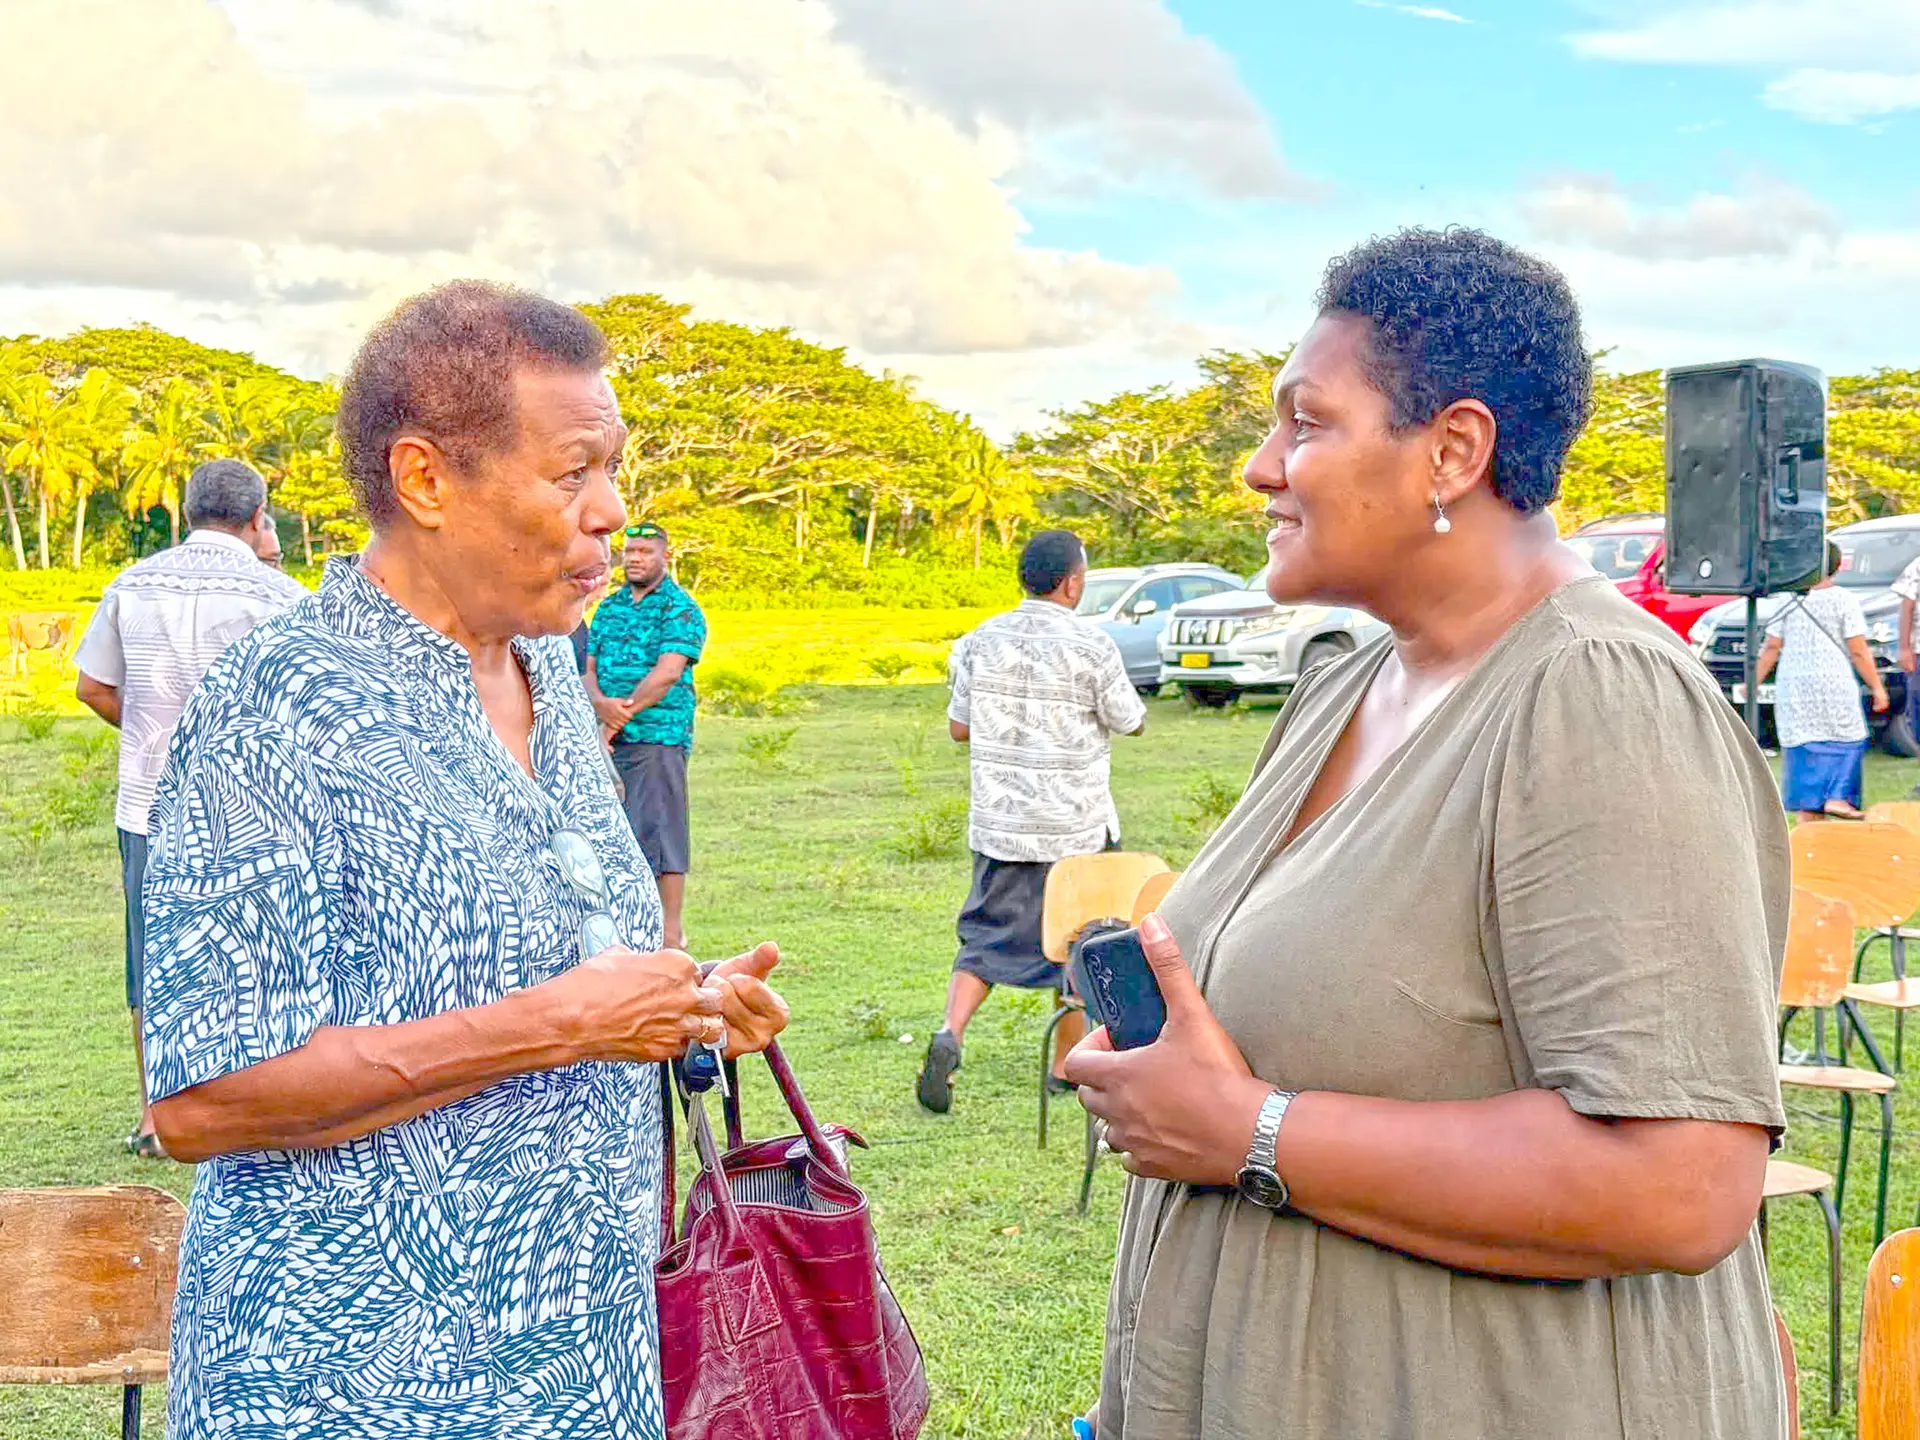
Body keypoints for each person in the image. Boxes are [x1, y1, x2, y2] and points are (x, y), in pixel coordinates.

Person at [1065, 229, 1789, 1439]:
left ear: (1453, 450)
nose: (1260, 467)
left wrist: (1250, 1132)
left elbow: (1681, 1185)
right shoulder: (1346, 689)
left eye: (1306, 422)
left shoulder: (1598, 701)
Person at [139, 281, 789, 1439]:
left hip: (581, 1357)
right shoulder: (278, 705)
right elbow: (199, 1101)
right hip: (351, 1381)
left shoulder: (545, 672)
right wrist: (566, 1023)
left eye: (614, 471)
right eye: (573, 472)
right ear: (428, 480)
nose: (611, 512)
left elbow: (561, 965)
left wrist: (675, 1002)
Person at [72, 459, 306, 1160]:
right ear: (257, 516)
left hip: (149, 804)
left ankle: (156, 1115)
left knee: (151, 955)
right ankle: (254, 1102)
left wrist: (155, 735)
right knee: (259, 949)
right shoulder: (281, 597)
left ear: (186, 510)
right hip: (253, 809)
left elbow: (93, 687)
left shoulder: (131, 585)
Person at [918, 529, 1146, 1114]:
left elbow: (959, 728)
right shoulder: (1092, 645)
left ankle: (950, 1033)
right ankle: (1065, 1068)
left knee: (983, 936)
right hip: (1076, 829)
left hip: (1000, 825)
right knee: (1081, 939)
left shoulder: (976, 642)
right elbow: (1129, 720)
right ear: (1072, 582)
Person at [584, 521, 706, 949]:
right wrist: (599, 704)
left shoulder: (680, 608)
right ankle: (624, 930)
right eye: (630, 551)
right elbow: (589, 667)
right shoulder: (609, 608)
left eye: (646, 552)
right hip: (605, 736)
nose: (635, 559)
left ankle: (671, 935)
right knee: (613, 832)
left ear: (665, 557)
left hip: (658, 735)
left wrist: (620, 716)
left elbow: (668, 672)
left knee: (662, 830)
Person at [1757, 539, 1887, 821]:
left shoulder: (1786, 599)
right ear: (1836, 566)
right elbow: (1858, 649)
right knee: (1849, 736)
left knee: (1803, 746)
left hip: (1795, 685)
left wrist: (1753, 682)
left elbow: (1771, 647)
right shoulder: (1844, 600)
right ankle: (1838, 797)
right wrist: (1877, 687)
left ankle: (1809, 818)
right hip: (1833, 681)